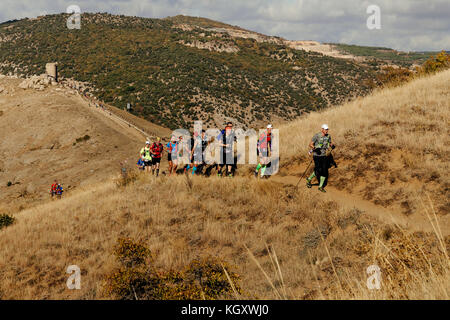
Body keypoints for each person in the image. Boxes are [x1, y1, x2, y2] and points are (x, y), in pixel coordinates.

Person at [306, 124, 336, 192]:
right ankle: (309, 179)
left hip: (323, 156)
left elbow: (330, 142)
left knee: (324, 171)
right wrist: (315, 148)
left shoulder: (328, 136)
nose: (327, 130)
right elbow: (310, 144)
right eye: (325, 129)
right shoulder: (317, 135)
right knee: (318, 170)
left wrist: (332, 145)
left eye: (327, 129)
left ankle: (320, 187)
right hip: (316, 156)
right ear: (322, 129)